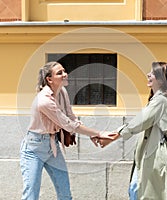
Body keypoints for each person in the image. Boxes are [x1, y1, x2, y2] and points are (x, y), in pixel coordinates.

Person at [94, 62, 167, 200]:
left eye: (153, 74)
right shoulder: (159, 99)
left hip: (155, 156)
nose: (148, 75)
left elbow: (139, 122)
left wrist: (114, 136)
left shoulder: (160, 101)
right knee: (137, 190)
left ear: (161, 80)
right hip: (151, 154)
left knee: (139, 191)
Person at [20, 61, 110, 200]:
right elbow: (67, 124)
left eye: (64, 71)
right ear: (49, 79)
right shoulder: (44, 101)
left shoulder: (62, 91)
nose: (65, 74)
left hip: (52, 146)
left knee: (65, 193)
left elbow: (70, 116)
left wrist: (89, 133)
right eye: (59, 73)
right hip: (34, 148)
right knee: (31, 195)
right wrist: (97, 133)